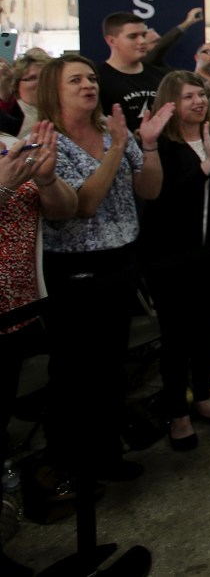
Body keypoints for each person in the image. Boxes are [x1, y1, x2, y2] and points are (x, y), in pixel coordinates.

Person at [39, 54, 172, 481]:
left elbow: (149, 189)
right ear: (53, 91)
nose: (88, 85)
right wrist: (118, 148)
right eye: (75, 80)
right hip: (74, 267)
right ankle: (69, 463)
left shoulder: (107, 129)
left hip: (121, 259)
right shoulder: (47, 143)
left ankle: (105, 453)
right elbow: (84, 204)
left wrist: (146, 146)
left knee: (112, 363)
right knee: (73, 369)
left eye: (92, 78)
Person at [140, 71, 210, 451]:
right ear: (170, 103)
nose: (199, 102)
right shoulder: (159, 148)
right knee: (177, 337)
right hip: (171, 260)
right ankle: (177, 413)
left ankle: (202, 397)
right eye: (189, 97)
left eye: (201, 96)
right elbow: (159, 201)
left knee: (207, 331)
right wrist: (206, 166)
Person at [1, 121, 76, 577]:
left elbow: (65, 211)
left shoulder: (9, 146)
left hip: (21, 311)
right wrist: (4, 188)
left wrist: (46, 179)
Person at [98, 12, 168, 132]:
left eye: (144, 35)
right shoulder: (98, 79)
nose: (142, 41)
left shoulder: (161, 76)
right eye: (133, 36)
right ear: (111, 41)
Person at [0, 49, 50, 138]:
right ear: (16, 85)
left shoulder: (56, 112)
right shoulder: (17, 118)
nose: (41, 82)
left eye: (45, 76)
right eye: (32, 78)